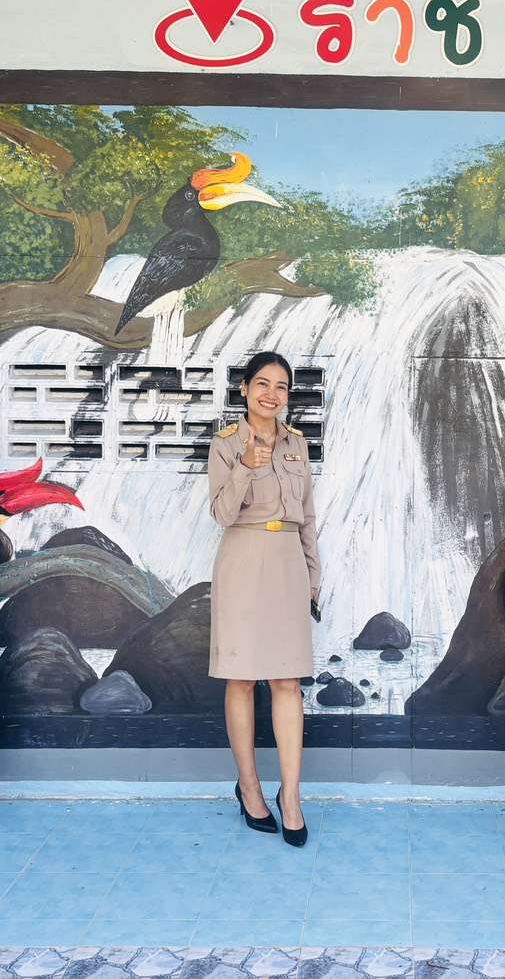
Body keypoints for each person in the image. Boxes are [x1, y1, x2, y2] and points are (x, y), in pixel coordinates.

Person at [207, 351, 320, 847]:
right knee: (241, 679)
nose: (271, 395)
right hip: (243, 557)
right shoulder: (226, 444)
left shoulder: (297, 443)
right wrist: (246, 467)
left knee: (287, 681)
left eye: (281, 387)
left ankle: (290, 795)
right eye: (262, 384)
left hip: (287, 560)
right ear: (245, 389)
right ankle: (249, 787)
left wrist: (313, 574)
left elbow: (308, 516)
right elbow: (221, 513)